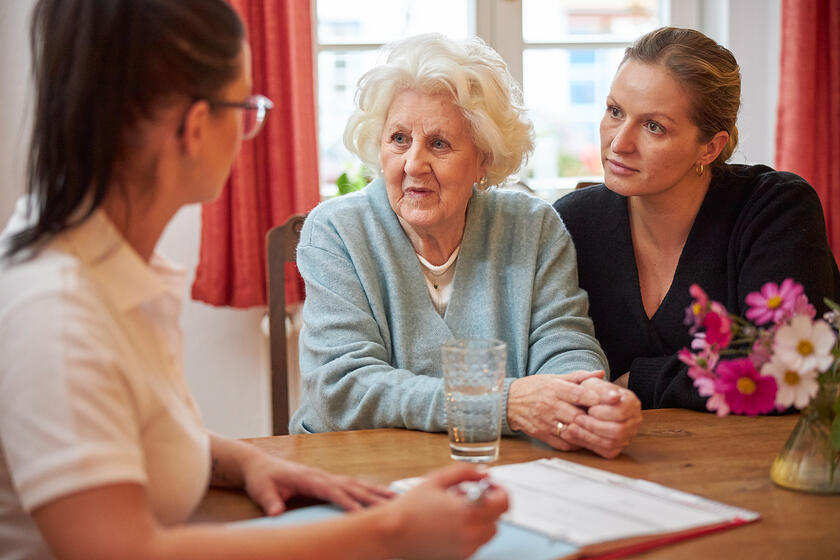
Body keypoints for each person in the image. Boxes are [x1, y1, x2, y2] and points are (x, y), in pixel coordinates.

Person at [0, 2, 509, 559]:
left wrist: (250, 462)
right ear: (197, 128)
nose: (251, 128)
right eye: (246, 105)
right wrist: (389, 533)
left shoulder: (108, 263)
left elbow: (133, 434)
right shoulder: (58, 312)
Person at [290, 33, 642, 459]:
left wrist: (582, 399)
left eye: (439, 144)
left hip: (498, 468)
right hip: (358, 468)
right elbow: (342, 389)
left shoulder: (533, 227)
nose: (414, 163)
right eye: (399, 139)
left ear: (484, 159)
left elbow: (564, 342)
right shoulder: (337, 232)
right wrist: (503, 404)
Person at [554, 26, 840, 411]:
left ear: (709, 147)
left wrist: (640, 381)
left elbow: (789, 369)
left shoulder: (776, 209)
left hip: (746, 461)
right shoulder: (572, 221)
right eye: (615, 111)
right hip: (609, 457)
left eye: (654, 126)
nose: (618, 143)